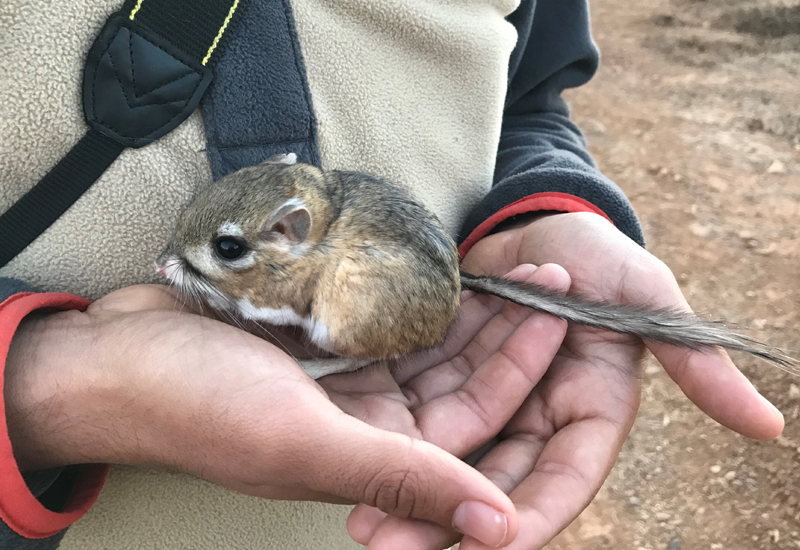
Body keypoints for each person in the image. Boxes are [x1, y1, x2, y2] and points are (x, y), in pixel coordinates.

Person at [0, 0, 784, 549]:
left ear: (291, 234)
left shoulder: (300, 251)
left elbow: (530, 101)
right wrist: (42, 384)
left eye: (230, 256)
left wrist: (542, 209)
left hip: (364, 509)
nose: (178, 271)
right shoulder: (284, 225)